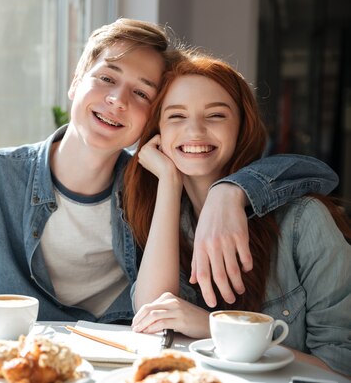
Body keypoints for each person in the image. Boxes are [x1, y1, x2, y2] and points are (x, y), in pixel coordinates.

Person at [0, 18, 338, 326]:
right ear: (76, 81)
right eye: (107, 78)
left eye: (141, 92)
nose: (117, 100)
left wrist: (231, 190)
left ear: (151, 118)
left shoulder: (153, 189)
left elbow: (310, 172)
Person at [124, 51, 351, 375]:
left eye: (215, 115)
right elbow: (152, 314)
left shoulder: (304, 222)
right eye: (176, 116)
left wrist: (214, 327)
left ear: (242, 126)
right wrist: (169, 182)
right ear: (157, 129)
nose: (195, 131)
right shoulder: (160, 216)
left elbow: (341, 368)